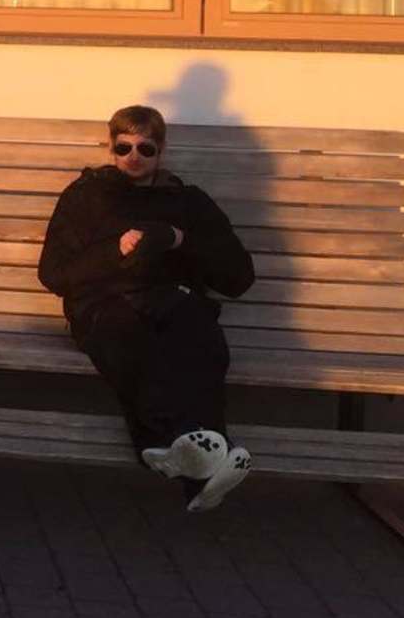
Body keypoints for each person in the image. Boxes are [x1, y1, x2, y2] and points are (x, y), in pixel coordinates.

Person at [38, 105, 257, 512]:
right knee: (132, 341)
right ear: (110, 148)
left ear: (162, 150)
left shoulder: (187, 202)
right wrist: (115, 250)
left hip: (172, 299)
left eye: (146, 148)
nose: (133, 157)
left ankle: (177, 459)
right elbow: (53, 274)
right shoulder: (86, 196)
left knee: (201, 338)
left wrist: (178, 240)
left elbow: (239, 278)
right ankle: (206, 461)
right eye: (123, 148)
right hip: (103, 304)